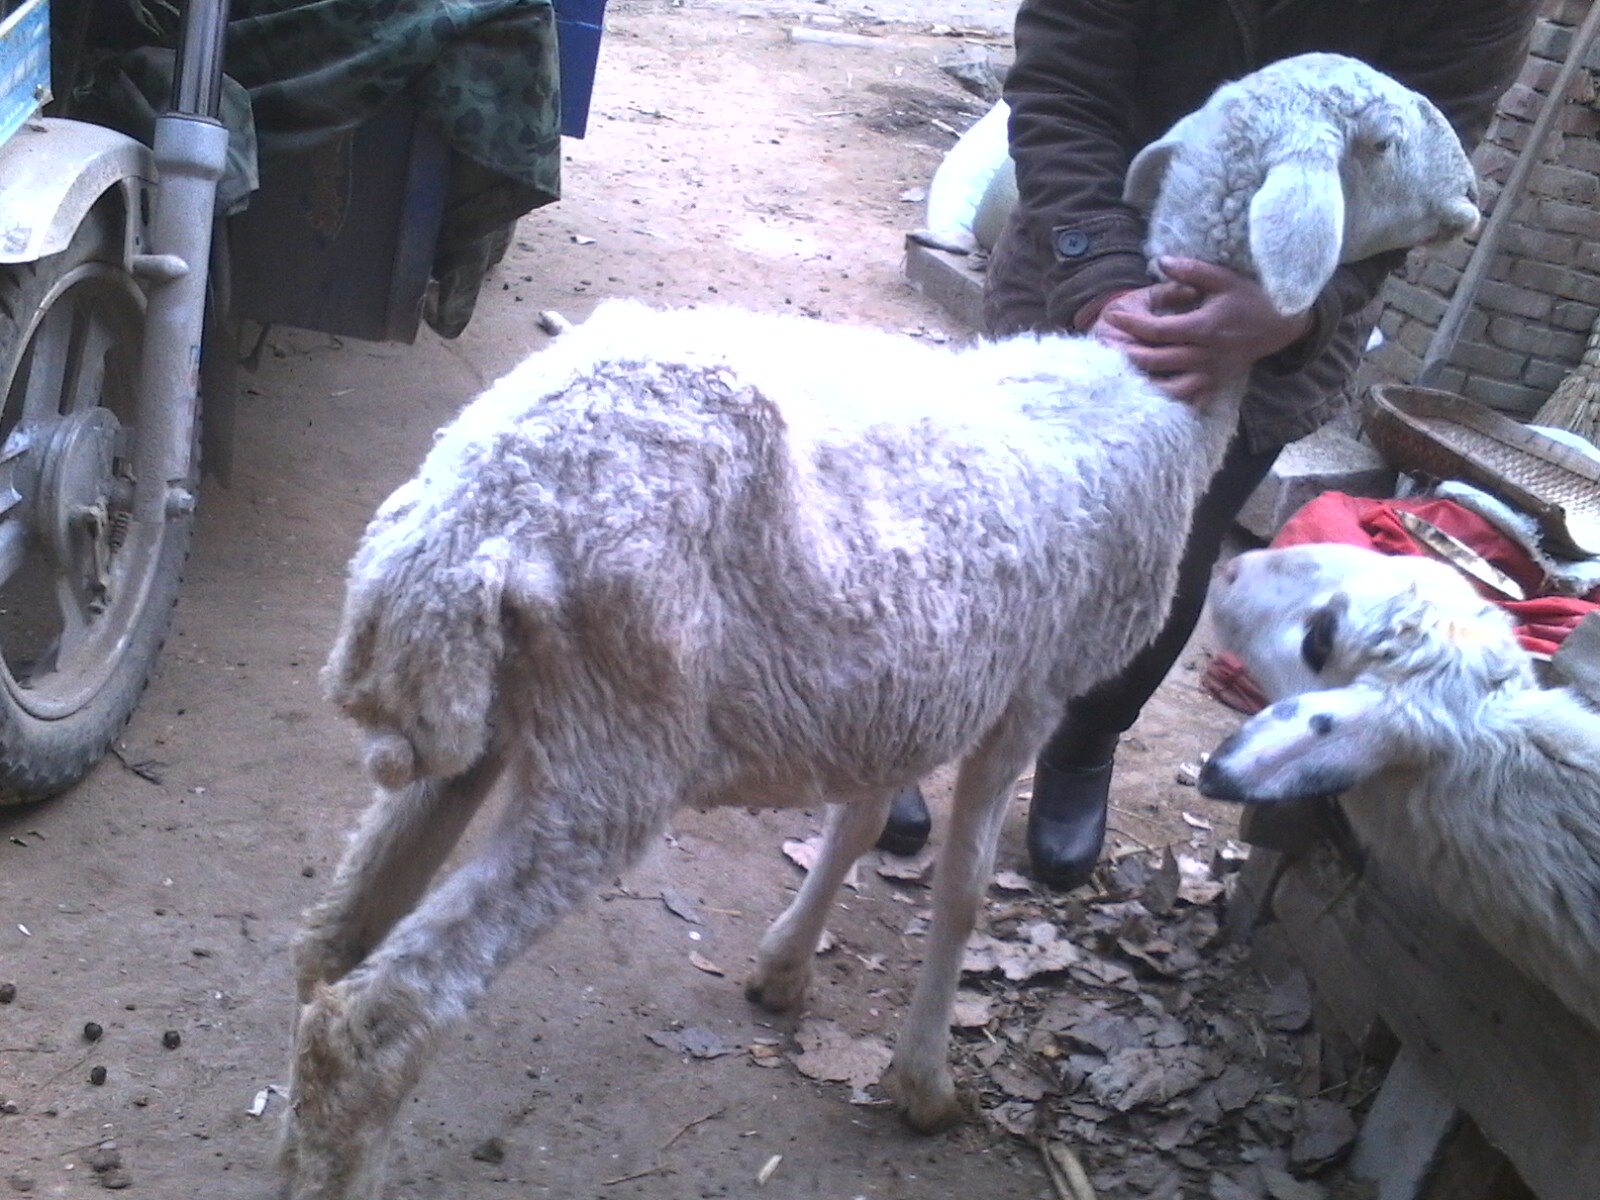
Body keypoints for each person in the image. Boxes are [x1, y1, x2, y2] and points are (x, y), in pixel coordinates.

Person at [876, 0, 1542, 888]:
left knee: (1171, 550)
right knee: (984, 519)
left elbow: (1428, 167)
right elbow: (1064, 79)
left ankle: (1085, 741)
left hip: (1287, 289)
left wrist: (1305, 302)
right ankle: (907, 724)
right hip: (1086, 249)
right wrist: (1099, 273)